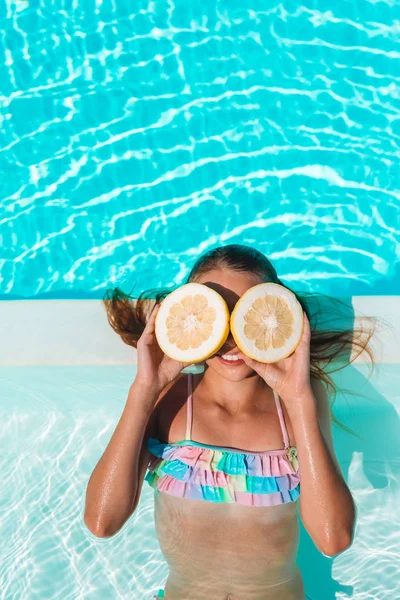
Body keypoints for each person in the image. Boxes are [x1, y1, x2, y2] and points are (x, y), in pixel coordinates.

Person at [84, 244, 374, 600]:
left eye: (245, 317)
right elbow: (102, 522)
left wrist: (299, 400)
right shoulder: (168, 401)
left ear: (274, 318)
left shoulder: (295, 402)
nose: (231, 337)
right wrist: (144, 391)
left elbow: (333, 539)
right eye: (216, 317)